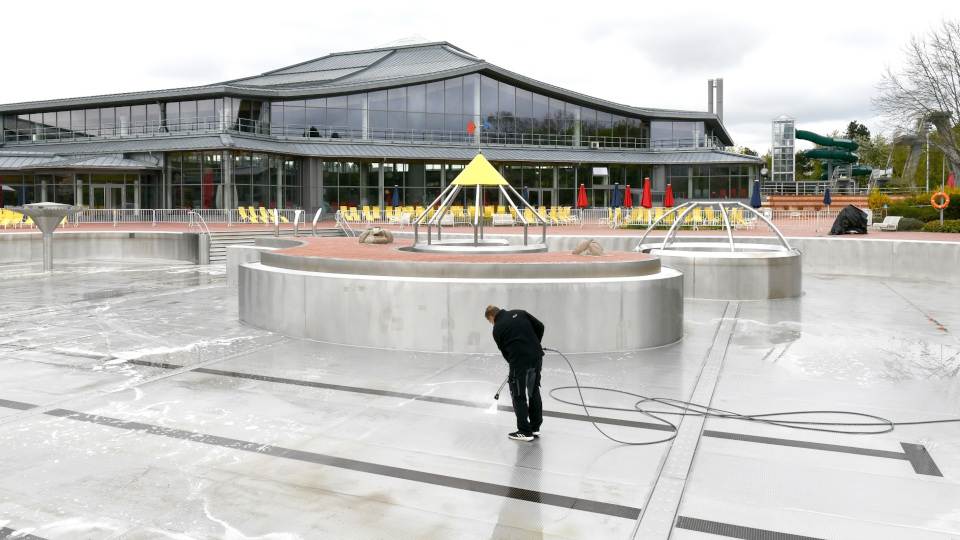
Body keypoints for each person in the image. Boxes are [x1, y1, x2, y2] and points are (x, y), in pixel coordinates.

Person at [485, 305, 544, 442]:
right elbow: (540, 326)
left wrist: (514, 362)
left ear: (492, 318)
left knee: (518, 395)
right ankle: (535, 427)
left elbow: (504, 351)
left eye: (490, 321)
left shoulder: (497, 329)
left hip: (519, 364)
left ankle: (525, 431)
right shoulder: (520, 313)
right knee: (533, 391)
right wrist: (535, 344)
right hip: (536, 358)